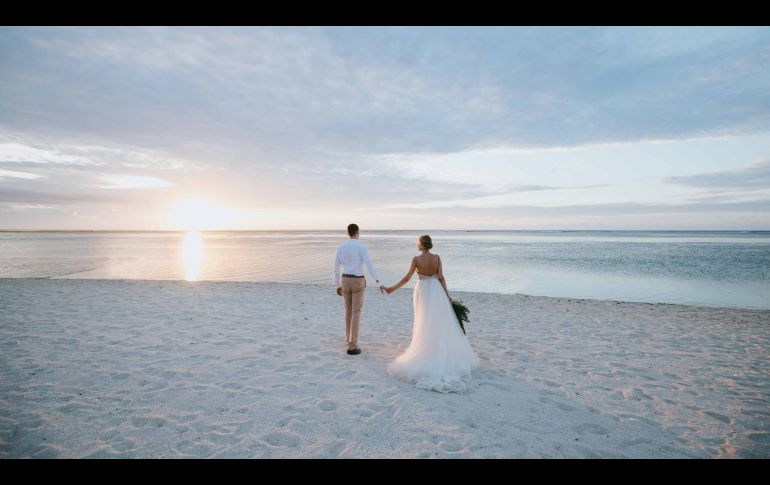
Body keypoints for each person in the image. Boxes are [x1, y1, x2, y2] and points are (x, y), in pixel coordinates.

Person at [384, 234, 479, 392]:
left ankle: (426, 348)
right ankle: (437, 348)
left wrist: (392, 288)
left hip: (422, 290)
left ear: (421, 244)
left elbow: (407, 278)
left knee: (424, 320)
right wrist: (447, 296)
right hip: (436, 290)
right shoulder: (437, 258)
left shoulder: (416, 259)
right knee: (438, 320)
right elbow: (441, 278)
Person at [332, 223, 387, 355]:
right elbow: (370, 265)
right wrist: (379, 282)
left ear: (348, 233)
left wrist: (337, 284)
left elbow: (335, 268)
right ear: (357, 232)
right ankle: (352, 345)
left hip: (345, 280)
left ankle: (348, 339)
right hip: (357, 280)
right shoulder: (362, 247)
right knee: (356, 311)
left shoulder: (340, 247)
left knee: (348, 311)